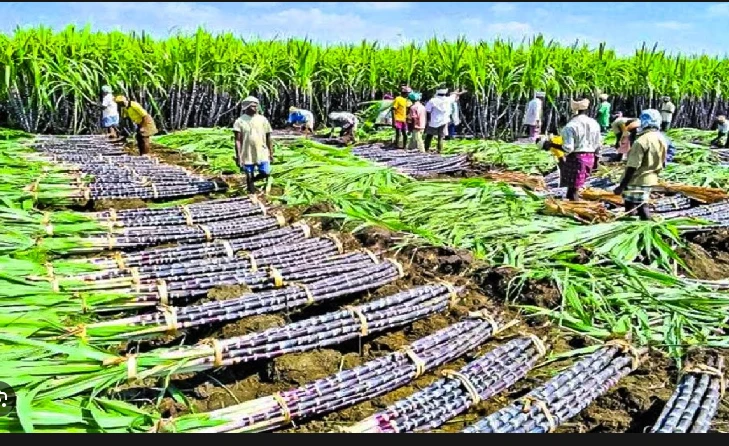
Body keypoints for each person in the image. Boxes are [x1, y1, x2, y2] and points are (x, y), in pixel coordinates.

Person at [613, 109, 667, 221]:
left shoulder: (641, 141)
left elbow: (633, 166)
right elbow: (664, 161)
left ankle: (645, 228)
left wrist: (622, 186)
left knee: (639, 206)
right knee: (640, 204)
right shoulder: (661, 138)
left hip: (638, 179)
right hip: (651, 177)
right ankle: (636, 226)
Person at [556, 98, 601, 201]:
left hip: (577, 159)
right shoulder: (594, 123)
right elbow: (598, 144)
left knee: (574, 190)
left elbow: (568, 148)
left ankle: (575, 210)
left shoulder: (571, 126)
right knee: (573, 188)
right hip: (590, 157)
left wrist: (552, 145)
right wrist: (596, 160)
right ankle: (571, 205)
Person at [233, 96, 274, 195]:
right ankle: (252, 193)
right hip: (247, 152)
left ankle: (252, 181)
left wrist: (271, 152)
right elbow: (238, 140)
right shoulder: (240, 121)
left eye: (256, 106)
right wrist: (239, 156)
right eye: (252, 106)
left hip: (262, 150)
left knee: (266, 172)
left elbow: (268, 136)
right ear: (246, 107)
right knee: (249, 174)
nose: (255, 108)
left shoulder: (263, 120)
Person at [424, 88, 465, 152]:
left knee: (429, 135)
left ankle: (426, 149)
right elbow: (453, 96)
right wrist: (457, 92)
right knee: (440, 137)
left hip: (433, 121)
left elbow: (427, 110)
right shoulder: (448, 99)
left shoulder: (433, 100)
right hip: (444, 121)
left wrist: (427, 120)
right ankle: (440, 150)